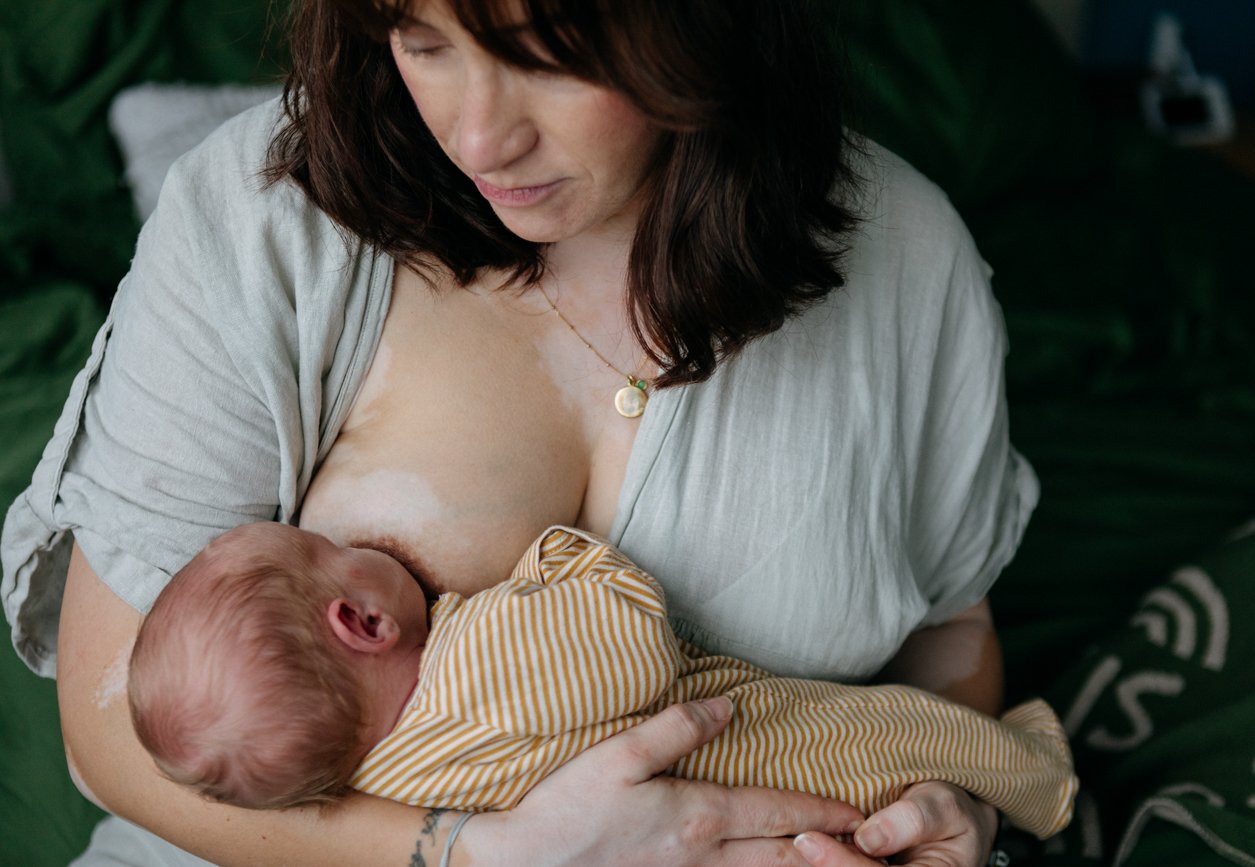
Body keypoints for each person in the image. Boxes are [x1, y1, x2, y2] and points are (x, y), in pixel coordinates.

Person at [0, 0, 1039, 863]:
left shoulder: (908, 262)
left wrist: (944, 810)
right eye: (421, 38)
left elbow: (949, 638)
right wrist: (472, 854)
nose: (480, 134)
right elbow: (107, 731)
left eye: (548, 52)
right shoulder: (269, 214)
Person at [129, 521, 1076, 840]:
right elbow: (631, 646)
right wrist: (555, 555)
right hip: (783, 753)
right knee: (910, 735)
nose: (356, 541)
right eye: (330, 545)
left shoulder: (385, 781)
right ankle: (1045, 782)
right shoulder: (480, 656)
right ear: (365, 622)